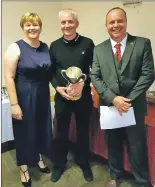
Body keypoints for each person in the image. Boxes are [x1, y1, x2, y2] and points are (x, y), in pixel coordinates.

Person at [90, 7, 155, 187]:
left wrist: (127, 100)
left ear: (126, 22)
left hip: (133, 107)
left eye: (120, 21)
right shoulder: (98, 49)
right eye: (112, 22)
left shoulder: (142, 44)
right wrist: (113, 99)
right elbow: (95, 76)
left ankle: (142, 182)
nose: (116, 25)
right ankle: (115, 175)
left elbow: (148, 75)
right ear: (106, 25)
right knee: (113, 144)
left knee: (137, 147)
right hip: (110, 106)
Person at [4, 12, 53, 187]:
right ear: (23, 27)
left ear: (40, 27)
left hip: (42, 95)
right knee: (24, 132)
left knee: (40, 128)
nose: (32, 28)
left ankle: (38, 158)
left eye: (35, 25)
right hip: (24, 96)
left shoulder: (45, 47)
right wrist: (14, 104)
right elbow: (9, 78)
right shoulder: (15, 47)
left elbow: (50, 72)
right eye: (28, 25)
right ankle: (24, 168)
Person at [49, 8, 95, 182]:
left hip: (83, 97)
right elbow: (51, 72)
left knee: (83, 132)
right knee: (61, 132)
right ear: (60, 24)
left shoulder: (88, 43)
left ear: (76, 23)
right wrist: (57, 88)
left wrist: (84, 83)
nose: (67, 25)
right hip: (63, 98)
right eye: (63, 22)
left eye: (70, 21)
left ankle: (83, 162)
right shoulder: (54, 45)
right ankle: (59, 165)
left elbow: (95, 69)